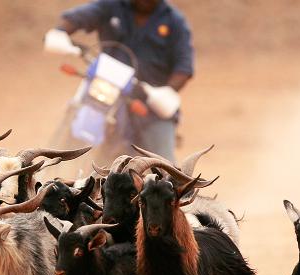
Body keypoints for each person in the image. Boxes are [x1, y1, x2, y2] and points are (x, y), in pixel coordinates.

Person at [51, 0, 194, 162]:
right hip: (108, 91)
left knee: (166, 167)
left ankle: (175, 185)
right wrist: (59, 31)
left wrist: (165, 92)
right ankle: (48, 174)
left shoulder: (175, 21)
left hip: (149, 104)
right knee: (74, 113)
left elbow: (184, 68)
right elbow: (75, 18)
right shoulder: (111, 6)